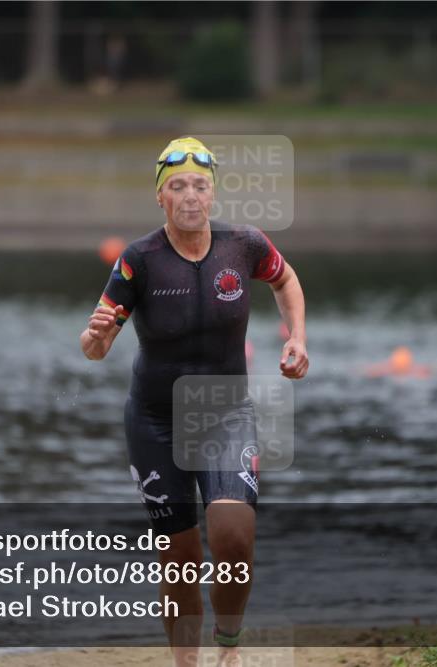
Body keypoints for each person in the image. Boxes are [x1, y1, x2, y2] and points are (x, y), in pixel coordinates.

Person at [80, 137, 308, 666]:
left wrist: (296, 336)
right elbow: (96, 347)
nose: (189, 196)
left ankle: (227, 646)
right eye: (176, 186)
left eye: (199, 186)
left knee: (233, 540)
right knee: (179, 556)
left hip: (226, 412)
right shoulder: (139, 260)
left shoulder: (244, 245)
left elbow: (286, 279)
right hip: (156, 420)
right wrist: (93, 338)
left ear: (213, 194)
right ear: (160, 197)